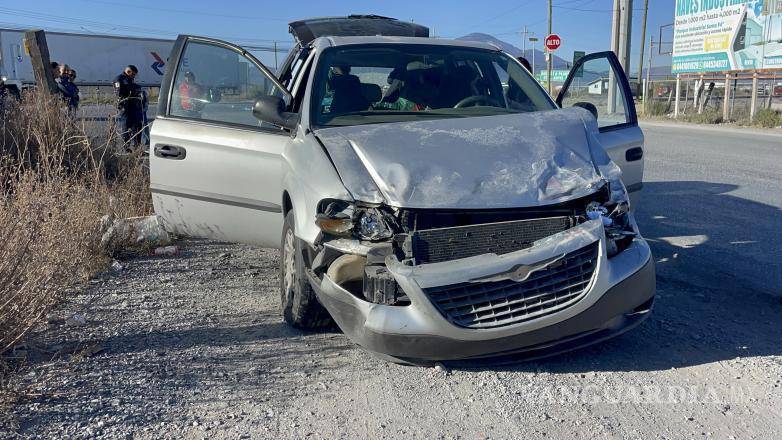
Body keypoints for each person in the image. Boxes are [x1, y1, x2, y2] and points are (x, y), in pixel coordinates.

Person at [114, 65, 144, 151]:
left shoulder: (130, 80)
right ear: (129, 72)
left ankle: (137, 147)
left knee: (137, 126)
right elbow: (119, 93)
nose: (134, 76)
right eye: (133, 74)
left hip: (134, 106)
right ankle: (126, 148)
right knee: (126, 127)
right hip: (125, 106)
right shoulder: (119, 79)